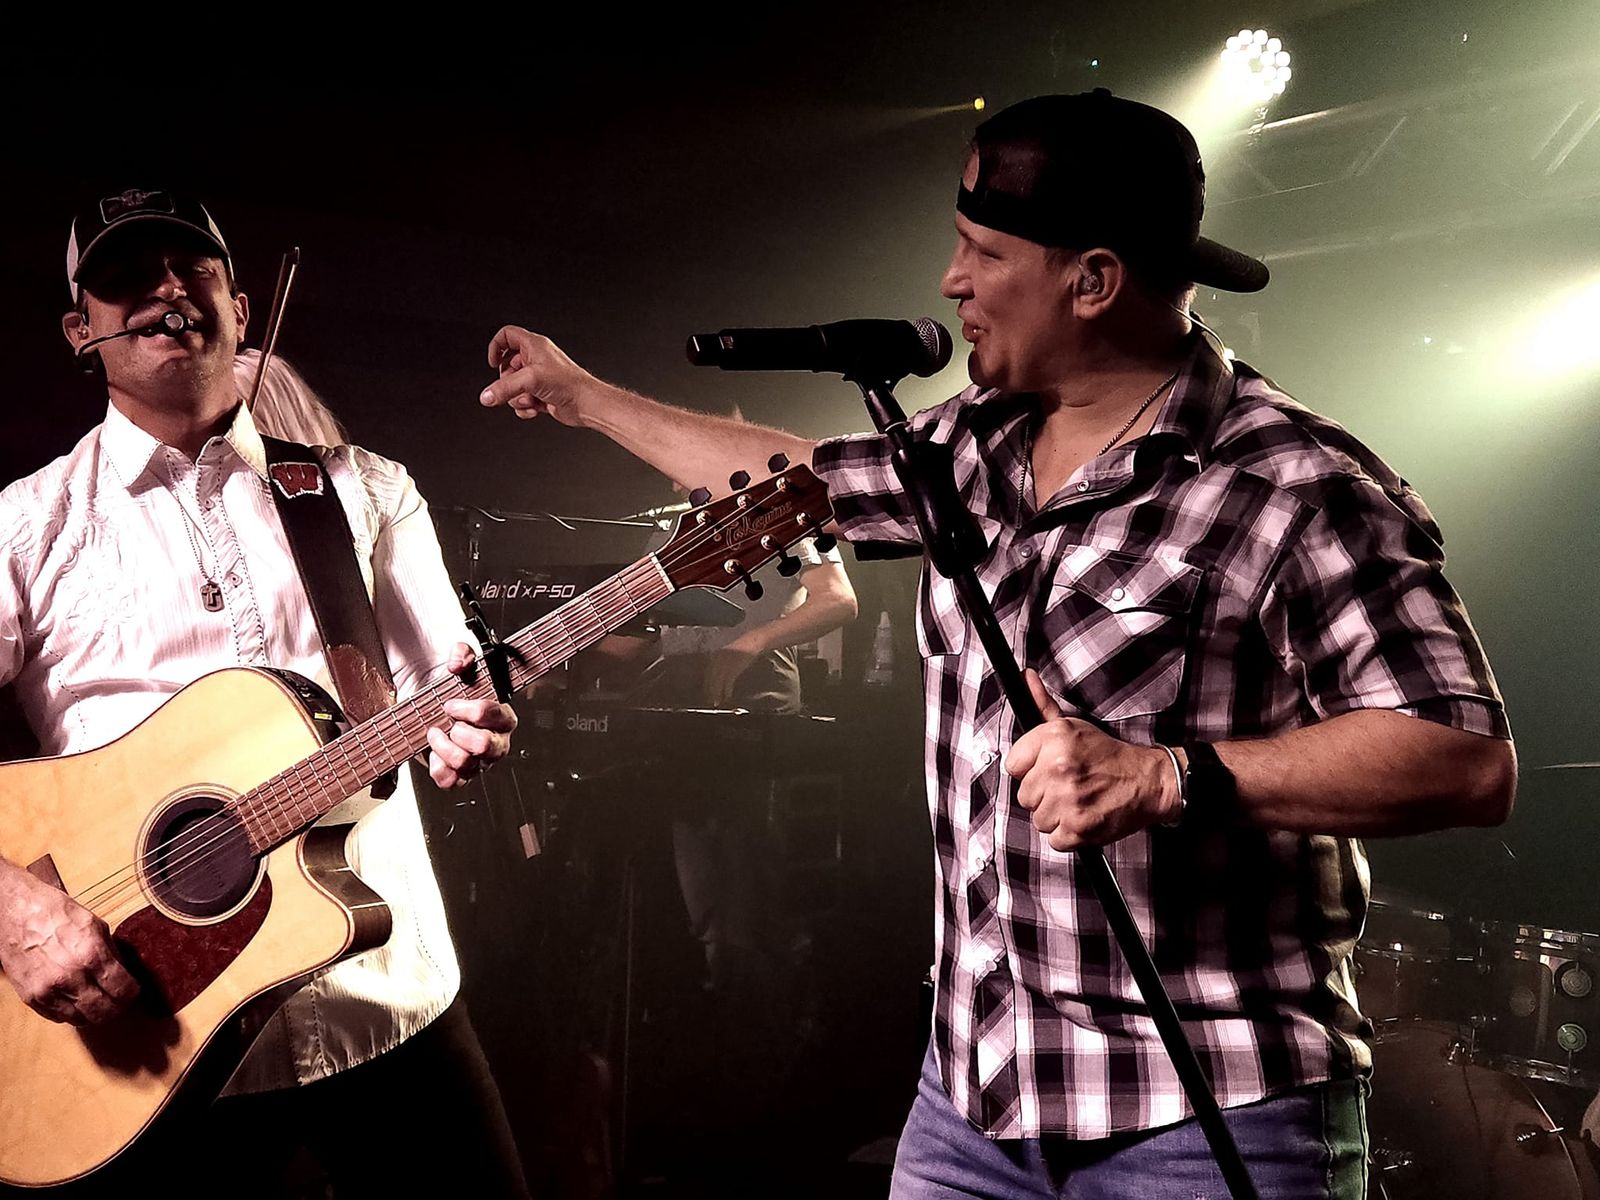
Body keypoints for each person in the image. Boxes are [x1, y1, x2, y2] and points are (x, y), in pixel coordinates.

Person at [475, 91, 1516, 1199]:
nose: (950, 281)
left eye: (984, 251)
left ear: (1093, 281)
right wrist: (582, 398)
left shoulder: (1292, 485)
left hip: (1202, 1115)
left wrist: (1166, 776)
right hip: (972, 1104)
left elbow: (1463, 756)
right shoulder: (971, 445)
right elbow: (791, 484)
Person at [0, 188, 528, 1197]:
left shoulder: (366, 490)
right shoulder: (25, 528)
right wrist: (11, 905)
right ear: (80, 331)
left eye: (191, 268)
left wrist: (467, 728)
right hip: (143, 1041)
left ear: (238, 307)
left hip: (385, 997)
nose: (166, 290)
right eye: (127, 278)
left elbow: (444, 689)